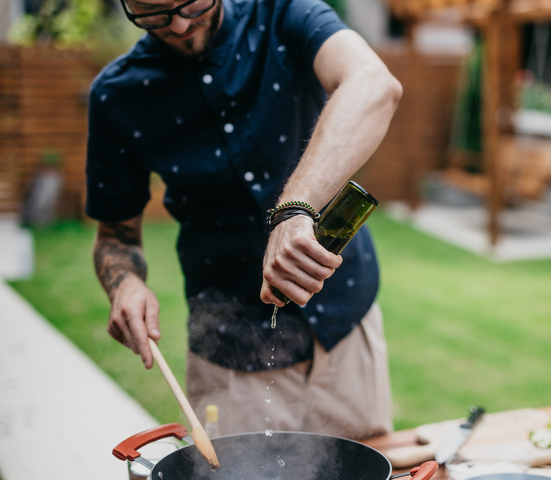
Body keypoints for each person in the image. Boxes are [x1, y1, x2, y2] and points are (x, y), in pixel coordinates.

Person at [86, 0, 402, 439]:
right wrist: (124, 283)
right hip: (231, 346)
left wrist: (294, 210)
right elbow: (114, 236)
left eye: (190, 1)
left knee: (367, 463)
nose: (179, 24)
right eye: (151, 12)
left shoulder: (285, 12)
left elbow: (374, 84)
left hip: (344, 325)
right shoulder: (116, 95)